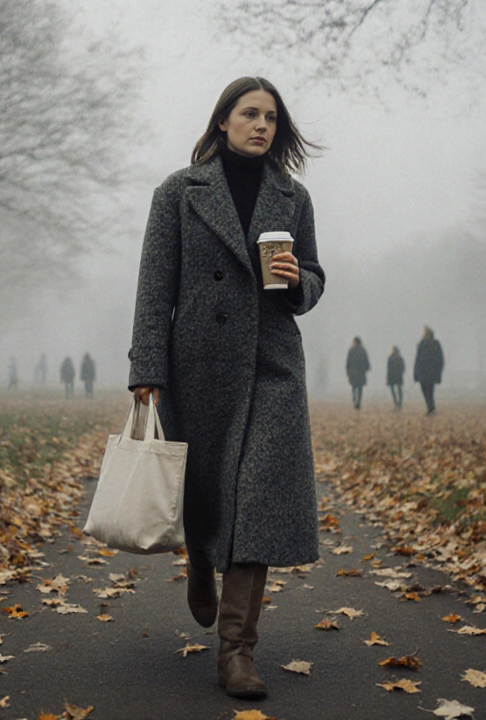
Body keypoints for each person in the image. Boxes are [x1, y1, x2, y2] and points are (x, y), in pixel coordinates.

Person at [128, 77, 324, 700]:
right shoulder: (178, 193)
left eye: (271, 117)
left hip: (272, 364)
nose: (261, 125)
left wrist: (298, 282)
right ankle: (199, 559)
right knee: (208, 489)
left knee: (259, 493)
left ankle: (237, 651)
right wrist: (147, 370)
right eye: (249, 114)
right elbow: (156, 286)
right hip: (199, 364)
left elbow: (315, 277)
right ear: (223, 122)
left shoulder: (292, 197)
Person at [413, 326, 444, 415]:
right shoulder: (421, 344)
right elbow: (417, 359)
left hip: (430, 371)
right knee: (425, 390)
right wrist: (415, 372)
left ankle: (430, 407)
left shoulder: (435, 344)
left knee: (429, 390)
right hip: (423, 371)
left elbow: (440, 359)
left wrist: (438, 370)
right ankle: (430, 406)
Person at [345, 337, 370, 410]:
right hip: (354, 372)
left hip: (359, 372)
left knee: (359, 388)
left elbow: (366, 360)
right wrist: (348, 370)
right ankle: (355, 400)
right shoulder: (352, 350)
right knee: (354, 387)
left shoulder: (361, 350)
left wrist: (366, 368)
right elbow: (348, 361)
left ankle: (358, 402)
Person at [386, 346, 405, 410]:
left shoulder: (397, 358)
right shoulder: (392, 358)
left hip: (396, 376)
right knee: (395, 390)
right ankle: (397, 403)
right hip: (393, 376)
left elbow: (402, 368)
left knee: (398, 390)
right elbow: (388, 368)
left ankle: (398, 403)